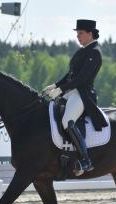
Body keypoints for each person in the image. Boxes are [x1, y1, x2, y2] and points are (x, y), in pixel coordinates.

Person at [43, 19, 108, 176]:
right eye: (77, 33)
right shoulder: (84, 50)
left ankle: (86, 160)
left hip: (83, 95)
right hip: (72, 92)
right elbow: (71, 75)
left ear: (90, 33)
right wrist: (55, 85)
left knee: (67, 121)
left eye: (80, 33)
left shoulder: (95, 52)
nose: (78, 36)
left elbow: (82, 79)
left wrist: (61, 90)